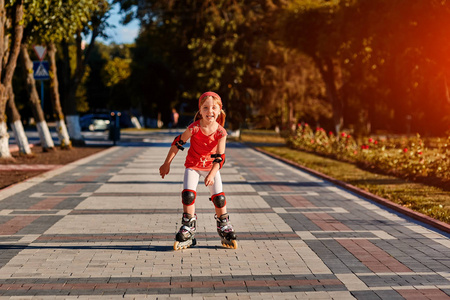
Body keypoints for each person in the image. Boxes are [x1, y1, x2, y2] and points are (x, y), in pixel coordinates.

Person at [159, 91, 237, 250]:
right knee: (188, 195)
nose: (210, 111)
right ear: (200, 111)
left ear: (219, 110)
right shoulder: (194, 128)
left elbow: (220, 157)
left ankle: (224, 225)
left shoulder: (221, 132)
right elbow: (177, 143)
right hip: (193, 166)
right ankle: (188, 226)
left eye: (214, 107)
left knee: (219, 198)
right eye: (206, 108)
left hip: (211, 168)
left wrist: (212, 173)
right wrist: (167, 163)